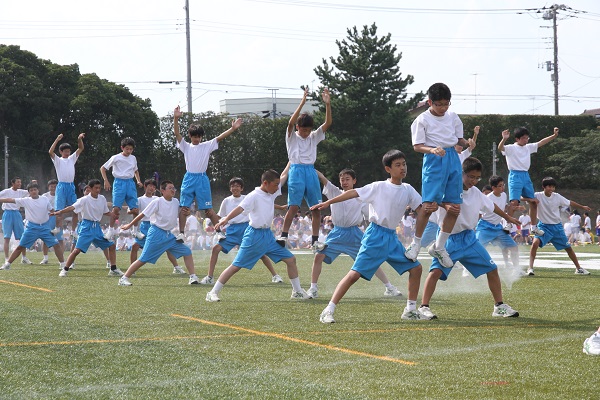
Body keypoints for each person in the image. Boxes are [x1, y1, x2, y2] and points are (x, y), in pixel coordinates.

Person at [312, 150, 432, 324]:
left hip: (392, 238)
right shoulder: (378, 186)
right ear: (388, 169)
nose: (402, 168)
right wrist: (328, 202)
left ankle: (410, 310)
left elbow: (421, 211)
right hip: (375, 235)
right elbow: (353, 193)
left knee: (416, 268)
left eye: (404, 164)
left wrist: (430, 210)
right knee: (354, 275)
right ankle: (328, 309)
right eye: (397, 165)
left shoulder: (408, 189)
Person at [418, 157, 521, 320]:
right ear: (462, 174)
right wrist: (444, 205)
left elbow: (491, 206)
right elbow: (434, 200)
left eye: (477, 177)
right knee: (435, 272)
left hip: (470, 239)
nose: (473, 181)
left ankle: (499, 306)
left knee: (492, 269)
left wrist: (508, 217)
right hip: (449, 239)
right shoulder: (448, 188)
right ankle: (423, 307)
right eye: (470, 176)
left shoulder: (476, 193)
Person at [205, 169, 311, 302]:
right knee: (236, 266)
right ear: (266, 183)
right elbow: (240, 208)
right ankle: (212, 292)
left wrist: (292, 161)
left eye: (278, 184)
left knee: (291, 260)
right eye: (275, 184)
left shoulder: (271, 193)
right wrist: (225, 220)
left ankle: (297, 292)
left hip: (268, 236)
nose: (278, 187)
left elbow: (283, 176)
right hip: (253, 236)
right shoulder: (253, 195)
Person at [307, 168, 402, 299]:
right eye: (342, 179)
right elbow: (323, 178)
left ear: (354, 181)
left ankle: (389, 287)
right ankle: (313, 288)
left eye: (347, 179)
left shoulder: (361, 198)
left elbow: (372, 217)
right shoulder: (334, 192)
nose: (344, 182)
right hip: (337, 233)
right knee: (318, 256)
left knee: (370, 260)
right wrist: (309, 166)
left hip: (354, 234)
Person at [405, 83, 469, 269]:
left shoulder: (453, 117)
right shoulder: (421, 120)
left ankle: (439, 246)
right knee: (429, 206)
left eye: (446, 104)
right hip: (434, 160)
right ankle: (415, 244)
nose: (443, 108)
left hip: (452, 159)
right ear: (429, 102)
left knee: (454, 208)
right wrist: (432, 149)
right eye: (439, 104)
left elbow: (459, 140)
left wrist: (466, 142)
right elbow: (417, 146)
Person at [172, 105, 242, 243]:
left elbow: (220, 137)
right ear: (190, 136)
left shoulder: (206, 145)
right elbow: (177, 134)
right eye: (194, 136)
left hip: (202, 179)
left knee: (208, 210)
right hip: (189, 178)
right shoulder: (185, 146)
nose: (196, 139)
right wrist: (175, 118)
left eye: (198, 137)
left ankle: (219, 232)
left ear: (201, 137)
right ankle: (181, 233)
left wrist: (232, 129)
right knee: (184, 208)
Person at [277, 88, 332, 252]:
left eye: (309, 130)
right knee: (293, 206)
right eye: (303, 129)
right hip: (296, 171)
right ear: (298, 128)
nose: (306, 133)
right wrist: (302, 102)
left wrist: (328, 104)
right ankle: (283, 236)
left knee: (316, 208)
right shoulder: (291, 137)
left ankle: (315, 241)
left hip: (310, 171)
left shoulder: (314, 136)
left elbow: (328, 124)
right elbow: (290, 123)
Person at [201, 177, 283, 285]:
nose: (235, 188)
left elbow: (265, 203)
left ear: (242, 188)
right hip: (232, 231)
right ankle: (210, 277)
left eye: (237, 186)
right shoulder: (226, 201)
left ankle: (275, 276)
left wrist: (281, 207)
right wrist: (211, 214)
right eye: (232, 186)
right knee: (216, 249)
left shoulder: (247, 197)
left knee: (261, 254)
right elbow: (219, 216)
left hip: (247, 229)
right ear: (230, 189)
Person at [117, 180, 200, 286]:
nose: (173, 190)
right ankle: (123, 278)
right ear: (162, 190)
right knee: (144, 258)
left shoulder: (176, 202)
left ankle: (193, 277)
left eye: (174, 188)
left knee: (187, 251)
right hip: (156, 233)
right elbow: (142, 214)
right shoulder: (157, 201)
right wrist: (129, 225)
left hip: (168, 235)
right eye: (170, 188)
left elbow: (183, 213)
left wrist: (188, 213)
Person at [52, 179, 122, 277]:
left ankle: (113, 269)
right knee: (76, 250)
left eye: (99, 188)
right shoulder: (84, 199)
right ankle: (65, 269)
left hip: (97, 227)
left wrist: (113, 215)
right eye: (96, 188)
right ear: (90, 188)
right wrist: (59, 212)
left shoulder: (102, 198)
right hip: (86, 226)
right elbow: (72, 207)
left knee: (111, 246)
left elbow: (105, 212)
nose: (98, 190)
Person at [498, 126, 559, 235]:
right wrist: (504, 138)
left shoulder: (528, 147)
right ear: (517, 139)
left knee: (534, 201)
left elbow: (541, 142)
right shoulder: (511, 148)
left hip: (526, 175)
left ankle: (534, 227)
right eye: (523, 138)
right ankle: (508, 224)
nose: (526, 140)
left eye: (527, 138)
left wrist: (554, 136)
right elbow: (500, 148)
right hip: (515, 175)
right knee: (514, 202)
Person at [527, 177, 591, 276]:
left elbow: (569, 202)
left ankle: (578, 268)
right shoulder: (537, 195)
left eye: (553, 186)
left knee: (568, 248)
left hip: (557, 227)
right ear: (543, 187)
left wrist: (582, 207)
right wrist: (531, 199)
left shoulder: (557, 197)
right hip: (543, 226)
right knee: (534, 244)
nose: (551, 189)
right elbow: (522, 197)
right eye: (549, 186)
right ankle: (530, 268)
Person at [0, 182, 66, 270]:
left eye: (35, 189)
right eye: (31, 190)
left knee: (56, 244)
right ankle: (7, 264)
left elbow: (51, 210)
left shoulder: (44, 199)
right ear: (29, 192)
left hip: (45, 227)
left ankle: (62, 264)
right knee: (20, 247)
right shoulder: (26, 200)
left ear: (38, 190)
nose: (33, 191)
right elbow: (10, 200)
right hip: (31, 228)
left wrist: (58, 217)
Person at [129, 179, 184, 273]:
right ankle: (132, 269)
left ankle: (176, 267)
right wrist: (131, 211)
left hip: (156, 226)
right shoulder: (140, 199)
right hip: (144, 226)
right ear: (145, 187)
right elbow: (131, 210)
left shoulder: (157, 199)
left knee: (168, 247)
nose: (152, 188)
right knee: (135, 246)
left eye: (154, 187)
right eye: (150, 186)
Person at [475, 175, 522, 272]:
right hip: (485, 227)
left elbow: (504, 207)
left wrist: (515, 208)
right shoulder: (487, 198)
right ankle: (466, 271)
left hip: (498, 228)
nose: (502, 187)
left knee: (513, 247)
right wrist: (473, 226)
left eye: (503, 185)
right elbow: (478, 213)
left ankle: (517, 270)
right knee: (476, 249)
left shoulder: (504, 195)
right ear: (493, 188)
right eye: (500, 186)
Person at [100, 137, 143, 240]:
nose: (129, 151)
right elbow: (103, 168)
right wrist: (106, 180)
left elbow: (136, 170)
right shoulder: (116, 157)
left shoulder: (133, 158)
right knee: (116, 209)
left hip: (130, 183)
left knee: (136, 209)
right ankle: (110, 231)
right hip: (119, 183)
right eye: (127, 149)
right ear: (122, 148)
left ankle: (135, 231)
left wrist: (138, 180)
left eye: (131, 149)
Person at [48, 133, 84, 236]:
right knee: (59, 211)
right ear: (61, 152)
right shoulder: (58, 160)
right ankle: (57, 228)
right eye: (66, 151)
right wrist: (57, 139)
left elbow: (80, 148)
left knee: (75, 209)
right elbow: (50, 152)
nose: (68, 153)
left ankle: (73, 231)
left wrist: (79, 138)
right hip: (61, 186)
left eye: (69, 151)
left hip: (70, 186)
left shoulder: (72, 158)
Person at [0, 177, 31, 264]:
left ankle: (24, 257)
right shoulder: (6, 191)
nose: (19, 184)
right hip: (7, 214)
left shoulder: (21, 192)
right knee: (7, 237)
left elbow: (30, 191)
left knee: (22, 237)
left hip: (17, 214)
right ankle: (6, 258)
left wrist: (33, 183)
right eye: (18, 182)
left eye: (20, 182)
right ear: (13, 183)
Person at [40, 179, 64, 264]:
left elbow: (64, 208)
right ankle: (45, 258)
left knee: (60, 238)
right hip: (48, 218)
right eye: (51, 186)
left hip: (58, 217)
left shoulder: (60, 195)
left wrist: (61, 219)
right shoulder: (44, 196)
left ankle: (61, 257)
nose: (53, 188)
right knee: (46, 238)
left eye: (55, 186)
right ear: (48, 187)